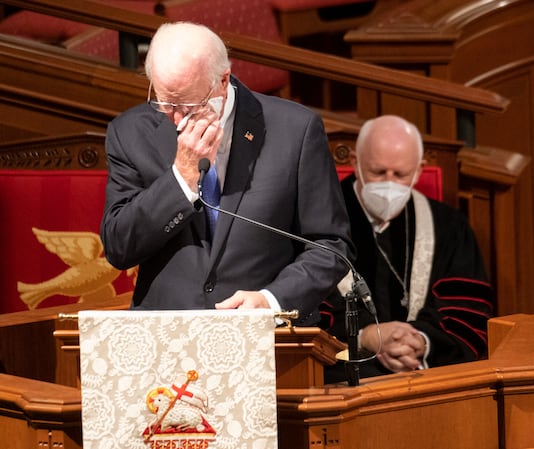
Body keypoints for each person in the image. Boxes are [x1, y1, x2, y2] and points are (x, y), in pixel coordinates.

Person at [100, 22, 353, 325]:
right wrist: (181, 178)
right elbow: (119, 247)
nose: (178, 119)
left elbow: (331, 246)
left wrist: (272, 301)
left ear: (223, 82)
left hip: (267, 338)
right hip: (167, 335)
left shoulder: (295, 130)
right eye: (166, 103)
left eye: (190, 104)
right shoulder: (130, 132)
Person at [321, 115, 494, 381]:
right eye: (378, 172)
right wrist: (368, 335)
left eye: (400, 174)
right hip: (345, 365)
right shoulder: (317, 221)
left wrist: (419, 341)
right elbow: (303, 309)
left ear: (419, 170)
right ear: (355, 163)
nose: (388, 183)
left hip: (425, 365)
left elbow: (466, 312)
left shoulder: (448, 226)